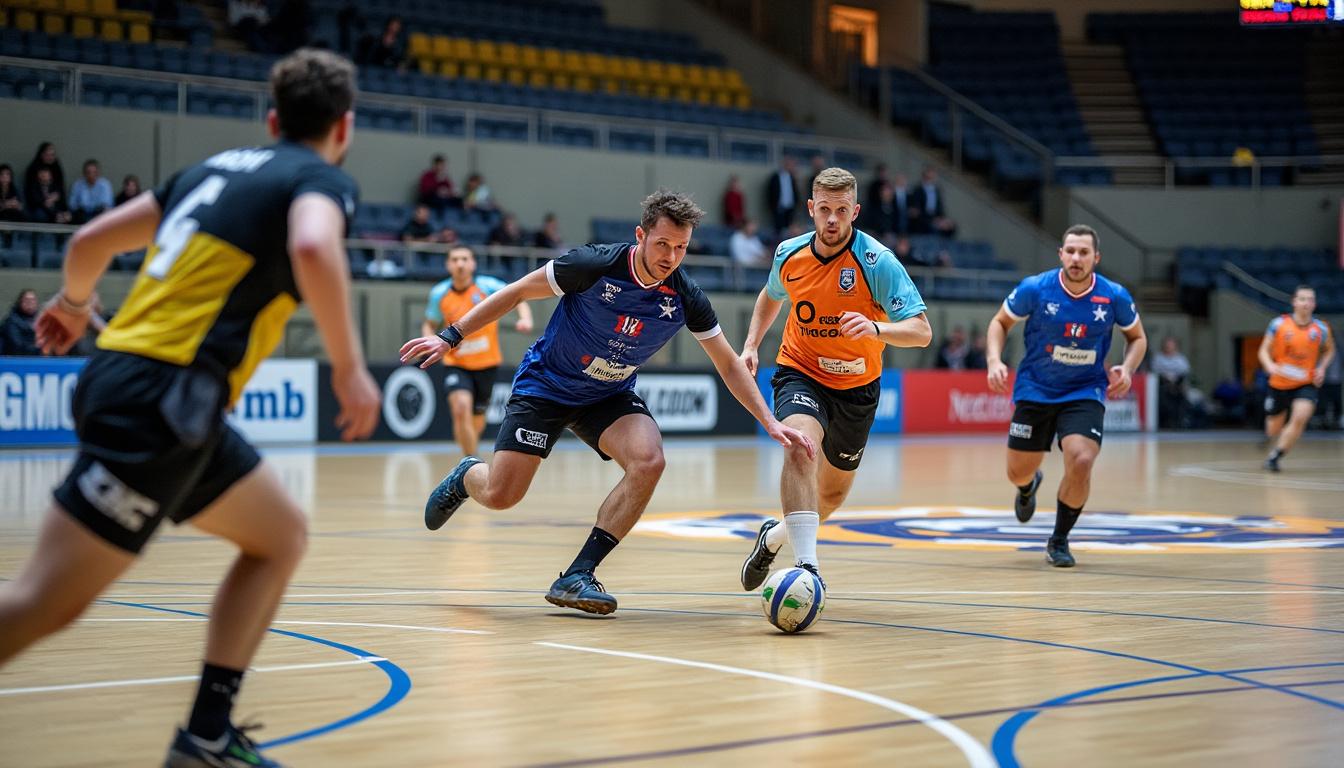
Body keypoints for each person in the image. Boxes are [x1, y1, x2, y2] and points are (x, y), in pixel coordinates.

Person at [0, 49, 381, 768]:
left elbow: (87, 242)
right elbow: (311, 243)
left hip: (149, 390)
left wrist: (74, 305)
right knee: (41, 604)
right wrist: (351, 368)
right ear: (345, 127)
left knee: (280, 535)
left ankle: (206, 734)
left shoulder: (209, 169)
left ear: (272, 119)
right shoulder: (319, 179)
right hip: (161, 399)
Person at [400, 190, 814, 615]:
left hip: (608, 395)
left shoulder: (685, 296)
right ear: (641, 235)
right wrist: (451, 336)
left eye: (681, 247)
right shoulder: (593, 264)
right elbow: (519, 292)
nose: (671, 256)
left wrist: (769, 421)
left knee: (649, 460)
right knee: (502, 494)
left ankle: (578, 574)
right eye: (663, 244)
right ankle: (469, 475)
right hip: (547, 386)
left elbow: (729, 364)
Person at [737, 167, 930, 590]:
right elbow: (772, 295)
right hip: (800, 370)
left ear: (855, 211)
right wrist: (752, 344)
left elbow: (921, 331)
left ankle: (774, 538)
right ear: (810, 208)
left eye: (841, 210)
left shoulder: (878, 262)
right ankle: (808, 569)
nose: (831, 219)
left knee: (830, 497)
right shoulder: (789, 254)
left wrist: (877, 328)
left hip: (857, 388)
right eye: (824, 209)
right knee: (800, 448)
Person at [985, 224, 1147, 568]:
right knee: (1017, 473)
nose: (1076, 258)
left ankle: (1059, 539)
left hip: (1084, 390)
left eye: (1084, 252)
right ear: (1061, 254)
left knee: (1082, 460)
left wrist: (1128, 369)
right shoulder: (1036, 289)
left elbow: (1138, 338)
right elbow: (999, 323)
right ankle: (1028, 487)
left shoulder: (1114, 296)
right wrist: (994, 360)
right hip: (1035, 389)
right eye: (1070, 251)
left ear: (1096, 258)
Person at [421, 245, 533, 455]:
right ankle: (470, 463)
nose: (460, 264)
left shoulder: (487, 286)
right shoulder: (439, 293)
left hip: (486, 364)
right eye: (455, 259)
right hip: (456, 364)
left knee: (476, 422)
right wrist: (430, 339)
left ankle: (468, 451)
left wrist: (525, 318)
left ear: (473, 264)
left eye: (464, 259)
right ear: (448, 265)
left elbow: (519, 294)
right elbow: (430, 323)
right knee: (460, 409)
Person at [1259, 285, 1334, 472]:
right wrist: (1269, 365)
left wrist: (1322, 368)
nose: (1306, 303)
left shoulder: (1321, 328)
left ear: (1314, 304)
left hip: (1305, 382)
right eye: (1302, 299)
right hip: (1279, 382)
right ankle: (1275, 439)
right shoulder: (1278, 324)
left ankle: (1275, 456)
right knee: (1272, 430)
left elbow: (1329, 350)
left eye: (1310, 299)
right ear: (1294, 301)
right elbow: (1263, 350)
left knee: (1300, 417)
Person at [1151, 336, 1191, 429]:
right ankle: (1166, 422)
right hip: (1163, 385)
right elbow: (1155, 373)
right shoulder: (1158, 358)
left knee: (1182, 394)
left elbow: (1185, 373)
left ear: (1175, 347)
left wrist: (1176, 381)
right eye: (1167, 345)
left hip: (1178, 386)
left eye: (1171, 345)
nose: (1169, 347)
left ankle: (1180, 421)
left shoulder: (1181, 359)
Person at [910, 166, 955, 237]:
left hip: (936, 218)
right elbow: (916, 210)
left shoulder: (937, 190)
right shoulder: (917, 190)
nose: (931, 179)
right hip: (923, 219)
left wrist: (942, 219)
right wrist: (933, 220)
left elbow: (940, 207)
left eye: (932, 177)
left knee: (951, 226)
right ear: (924, 176)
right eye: (928, 177)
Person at [68, 159, 115, 224]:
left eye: (94, 172)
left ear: (98, 173)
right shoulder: (77, 185)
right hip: (82, 215)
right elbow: (72, 205)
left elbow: (106, 204)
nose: (91, 175)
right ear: (84, 173)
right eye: (88, 172)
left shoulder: (105, 185)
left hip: (98, 215)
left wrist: (87, 205)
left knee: (104, 212)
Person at [24, 142, 65, 206]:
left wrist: (56, 195)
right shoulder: (33, 169)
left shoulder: (56, 166)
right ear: (42, 155)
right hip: (38, 203)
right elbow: (31, 192)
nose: (51, 157)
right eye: (48, 155)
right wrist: (46, 199)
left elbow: (61, 186)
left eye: (53, 155)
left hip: (55, 201)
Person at [0, 289, 41, 355]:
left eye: (33, 300)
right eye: (27, 300)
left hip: (38, 359)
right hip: (16, 361)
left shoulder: (40, 320)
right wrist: (40, 348)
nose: (30, 303)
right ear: (20, 302)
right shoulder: (11, 322)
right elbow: (17, 346)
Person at [766, 156, 800, 233]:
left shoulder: (792, 177)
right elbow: (770, 193)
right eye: (789, 165)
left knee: (790, 228)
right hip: (779, 207)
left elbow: (795, 192)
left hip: (790, 207)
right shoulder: (775, 177)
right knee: (779, 228)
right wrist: (772, 206)